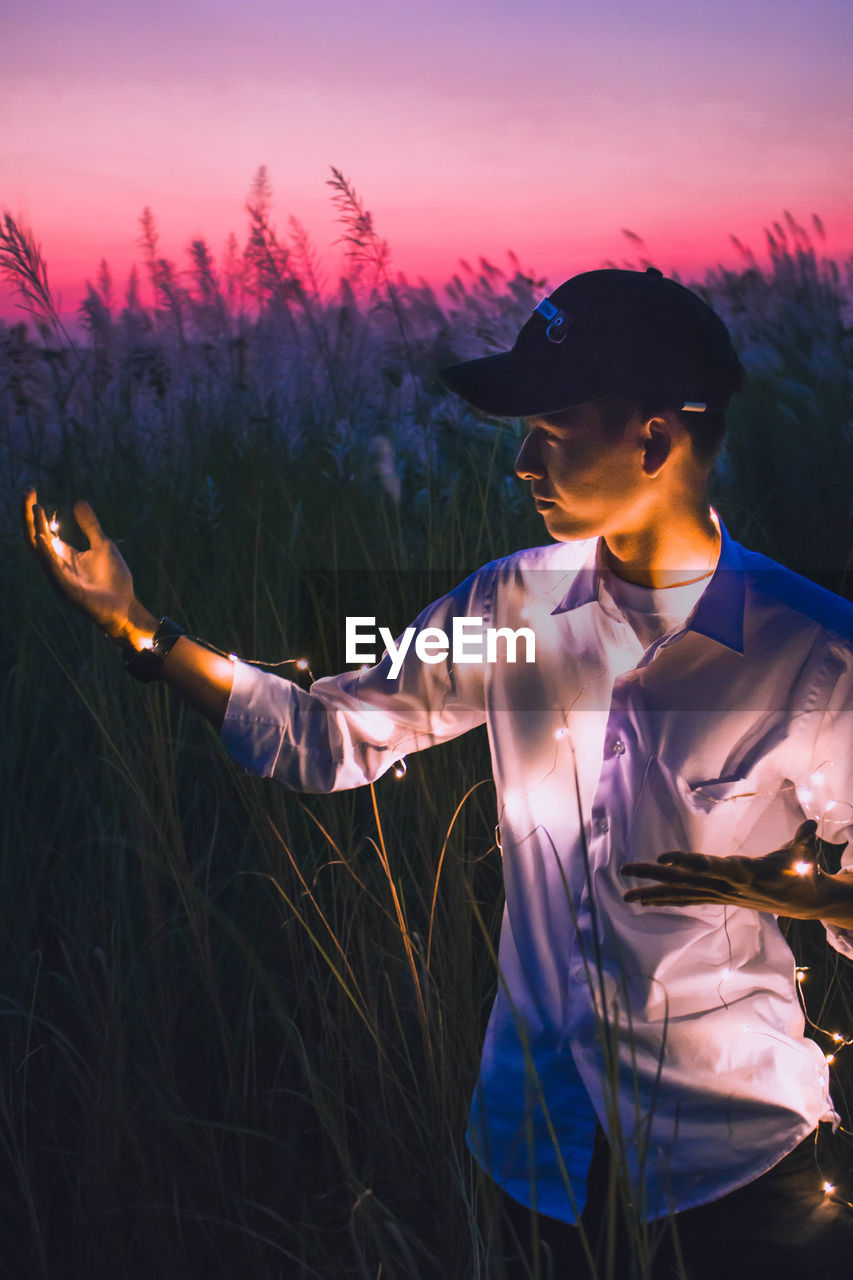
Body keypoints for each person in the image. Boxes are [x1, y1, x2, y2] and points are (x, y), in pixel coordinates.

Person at [22, 267, 853, 1279]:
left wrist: (791, 895)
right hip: (532, 1151)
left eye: (551, 425)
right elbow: (331, 736)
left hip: (737, 1166)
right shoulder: (512, 611)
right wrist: (140, 628)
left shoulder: (808, 651)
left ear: (653, 439)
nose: (519, 461)